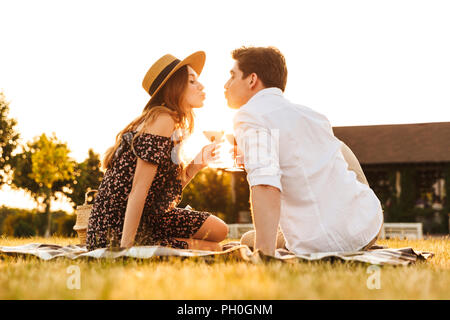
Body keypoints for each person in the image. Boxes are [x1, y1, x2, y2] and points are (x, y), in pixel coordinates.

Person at [224, 46, 384, 256]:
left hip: (323, 243)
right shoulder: (313, 116)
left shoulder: (250, 115)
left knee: (248, 239)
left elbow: (265, 184)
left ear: (252, 79)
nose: (226, 85)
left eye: (232, 76)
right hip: (368, 225)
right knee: (337, 147)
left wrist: (264, 254)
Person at [86, 51, 228, 251]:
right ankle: (145, 243)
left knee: (220, 230)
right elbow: (138, 190)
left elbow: (162, 195)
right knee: (215, 248)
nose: (201, 86)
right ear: (175, 88)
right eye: (192, 81)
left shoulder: (169, 121)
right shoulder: (162, 120)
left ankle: (159, 240)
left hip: (149, 216)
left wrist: (198, 163)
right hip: (115, 228)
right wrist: (125, 249)